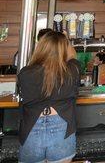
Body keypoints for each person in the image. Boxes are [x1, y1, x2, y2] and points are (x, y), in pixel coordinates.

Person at [18, 31, 80, 163]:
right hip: (63, 126)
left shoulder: (25, 73)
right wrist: (66, 40)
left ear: (40, 48)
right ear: (64, 50)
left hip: (32, 127)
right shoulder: (72, 71)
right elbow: (73, 55)